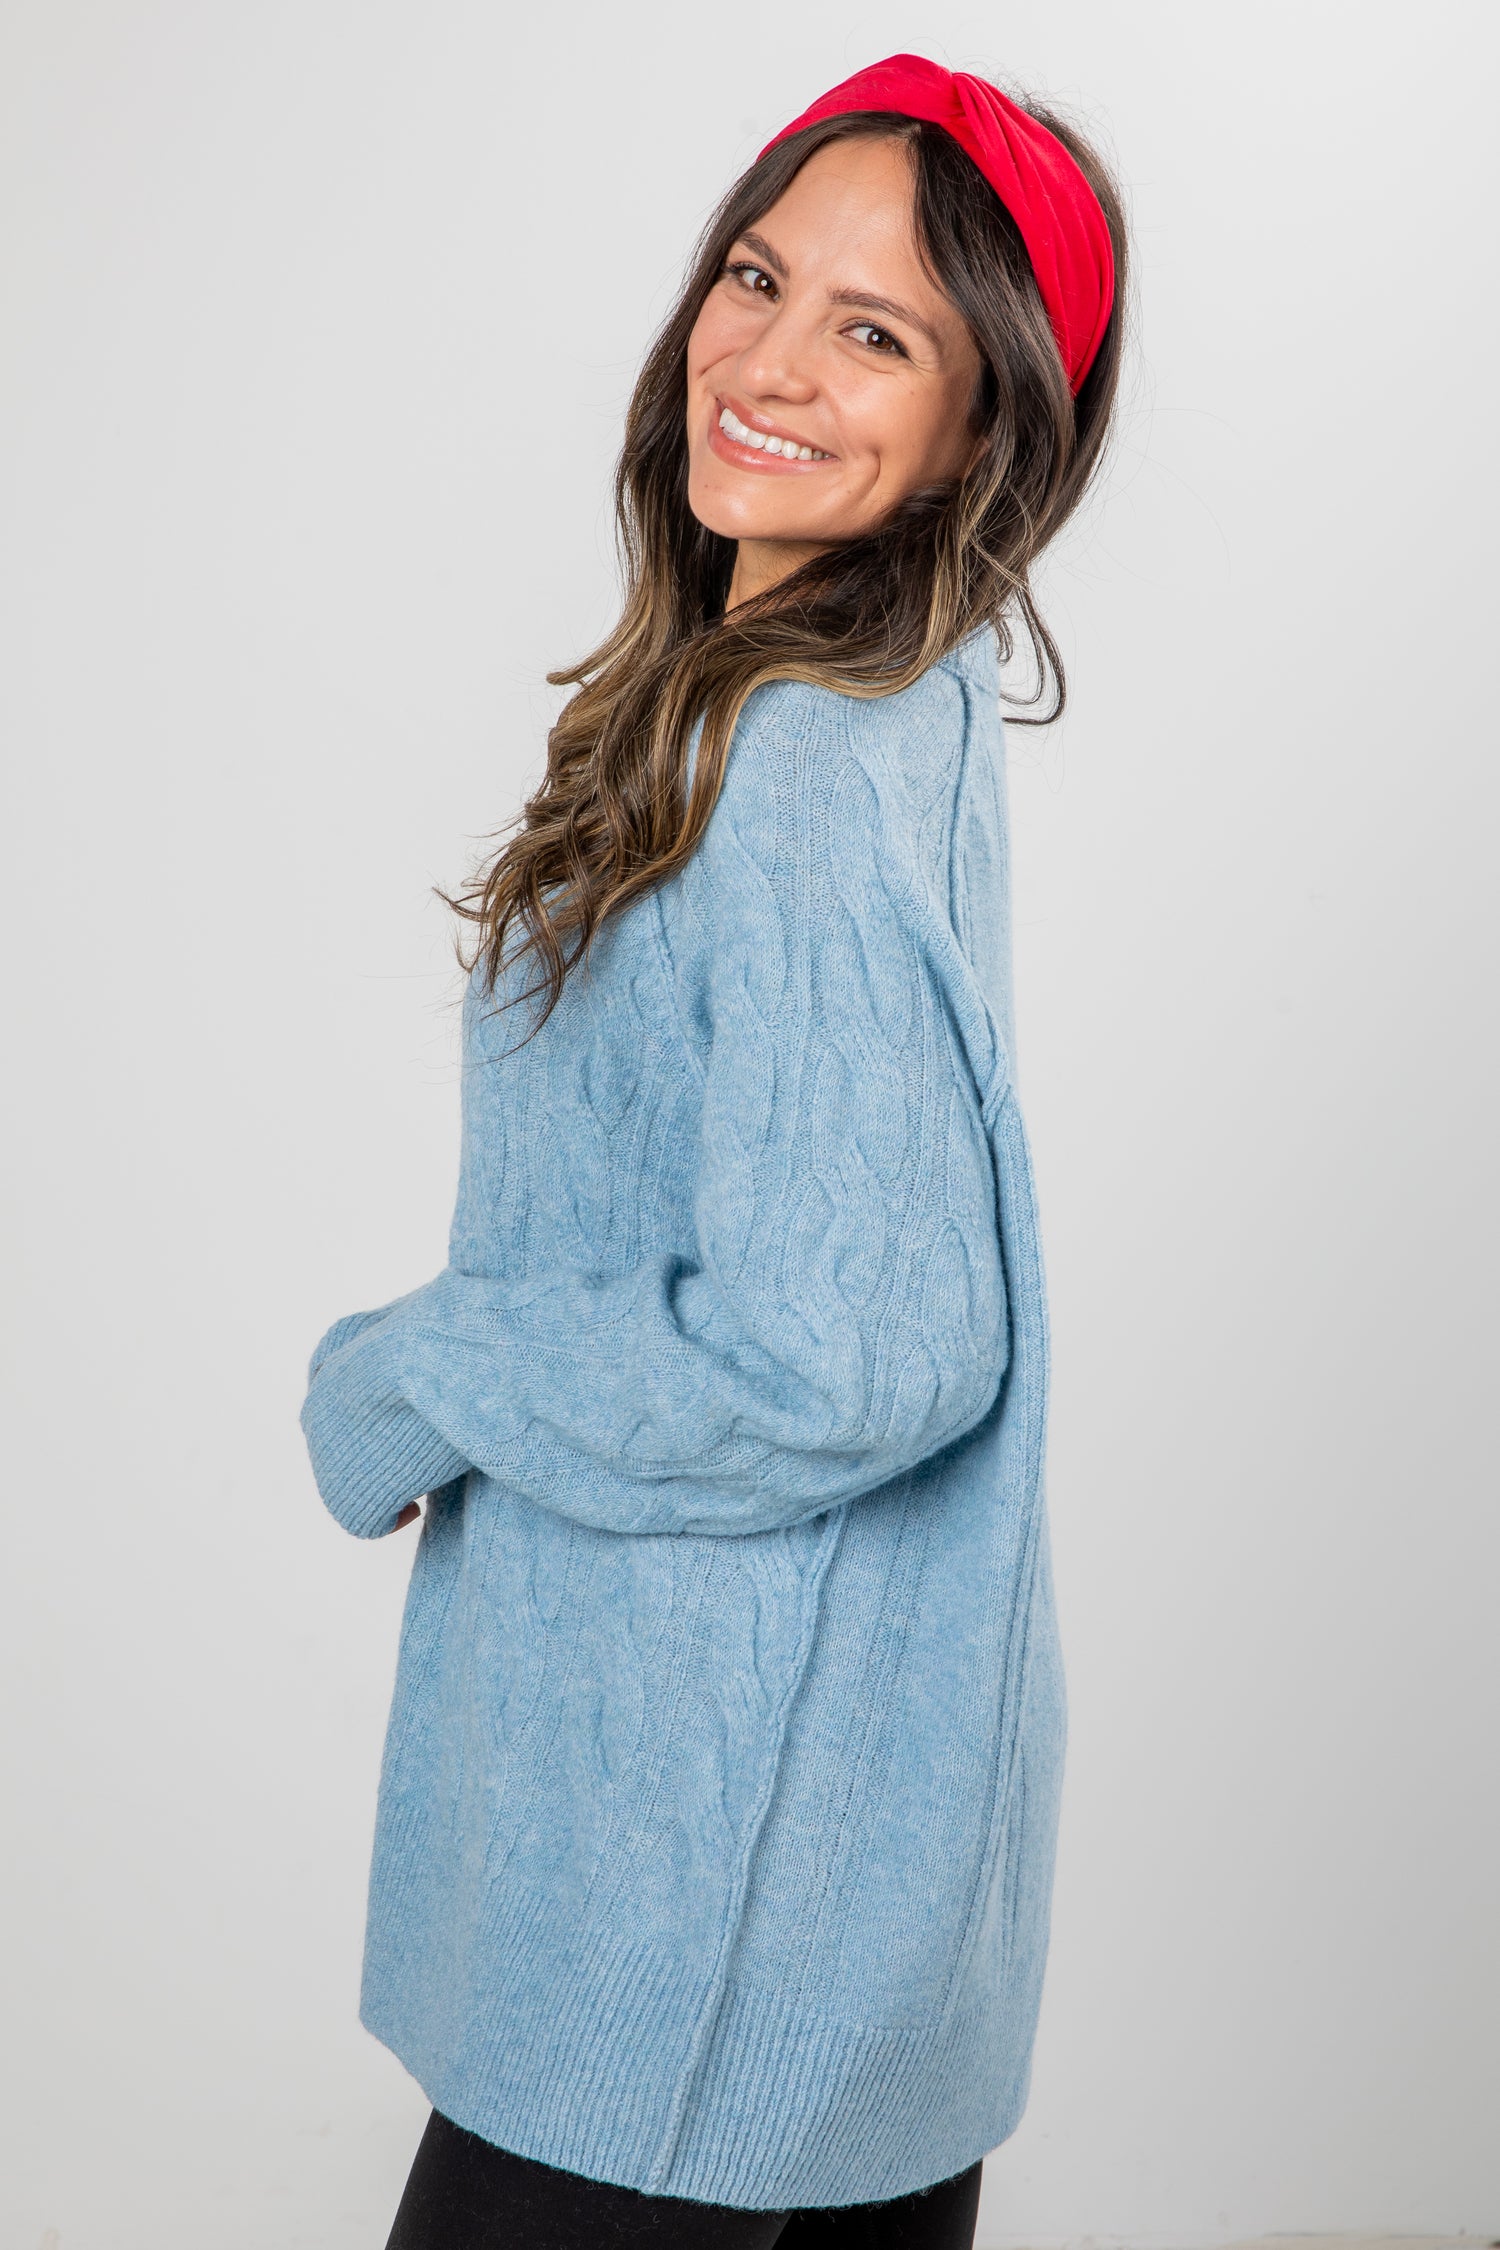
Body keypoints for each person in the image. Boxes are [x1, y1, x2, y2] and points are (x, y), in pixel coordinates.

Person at [300, 52, 1127, 2250]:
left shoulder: (799, 765)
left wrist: (418, 1368)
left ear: (988, 429)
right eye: (756, 279)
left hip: (695, 1905)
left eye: (879, 332)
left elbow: (854, 1355)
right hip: (838, 1871)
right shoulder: (869, 709)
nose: (764, 360)